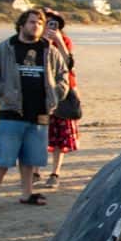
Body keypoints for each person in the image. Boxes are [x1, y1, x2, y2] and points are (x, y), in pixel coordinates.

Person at [0, 9, 71, 211]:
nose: (36, 26)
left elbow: (63, 73)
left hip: (40, 111)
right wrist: (3, 91)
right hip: (12, 110)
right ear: (21, 25)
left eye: (39, 23)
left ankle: (27, 193)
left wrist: (56, 94)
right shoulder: (7, 47)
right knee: (3, 157)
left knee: (31, 158)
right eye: (31, 22)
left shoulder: (49, 50)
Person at [42, 11, 79, 189]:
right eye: (47, 22)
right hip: (40, 93)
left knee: (60, 136)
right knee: (39, 133)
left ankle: (55, 172)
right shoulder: (35, 40)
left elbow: (69, 64)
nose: (51, 26)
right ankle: (34, 171)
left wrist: (58, 42)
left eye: (54, 23)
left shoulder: (64, 41)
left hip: (62, 93)